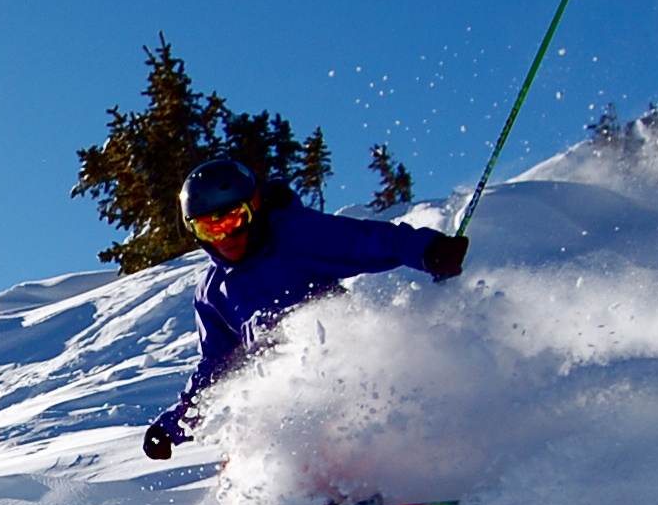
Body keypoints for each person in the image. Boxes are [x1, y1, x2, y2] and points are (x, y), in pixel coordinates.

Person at [143, 158, 469, 460]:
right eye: (208, 228)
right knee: (251, 445)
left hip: (342, 373)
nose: (225, 237)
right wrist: (173, 426)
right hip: (278, 401)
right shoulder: (212, 292)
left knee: (317, 426)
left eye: (234, 219)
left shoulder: (295, 235)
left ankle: (375, 484)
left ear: (254, 207)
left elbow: (368, 240)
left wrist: (429, 250)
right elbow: (217, 365)